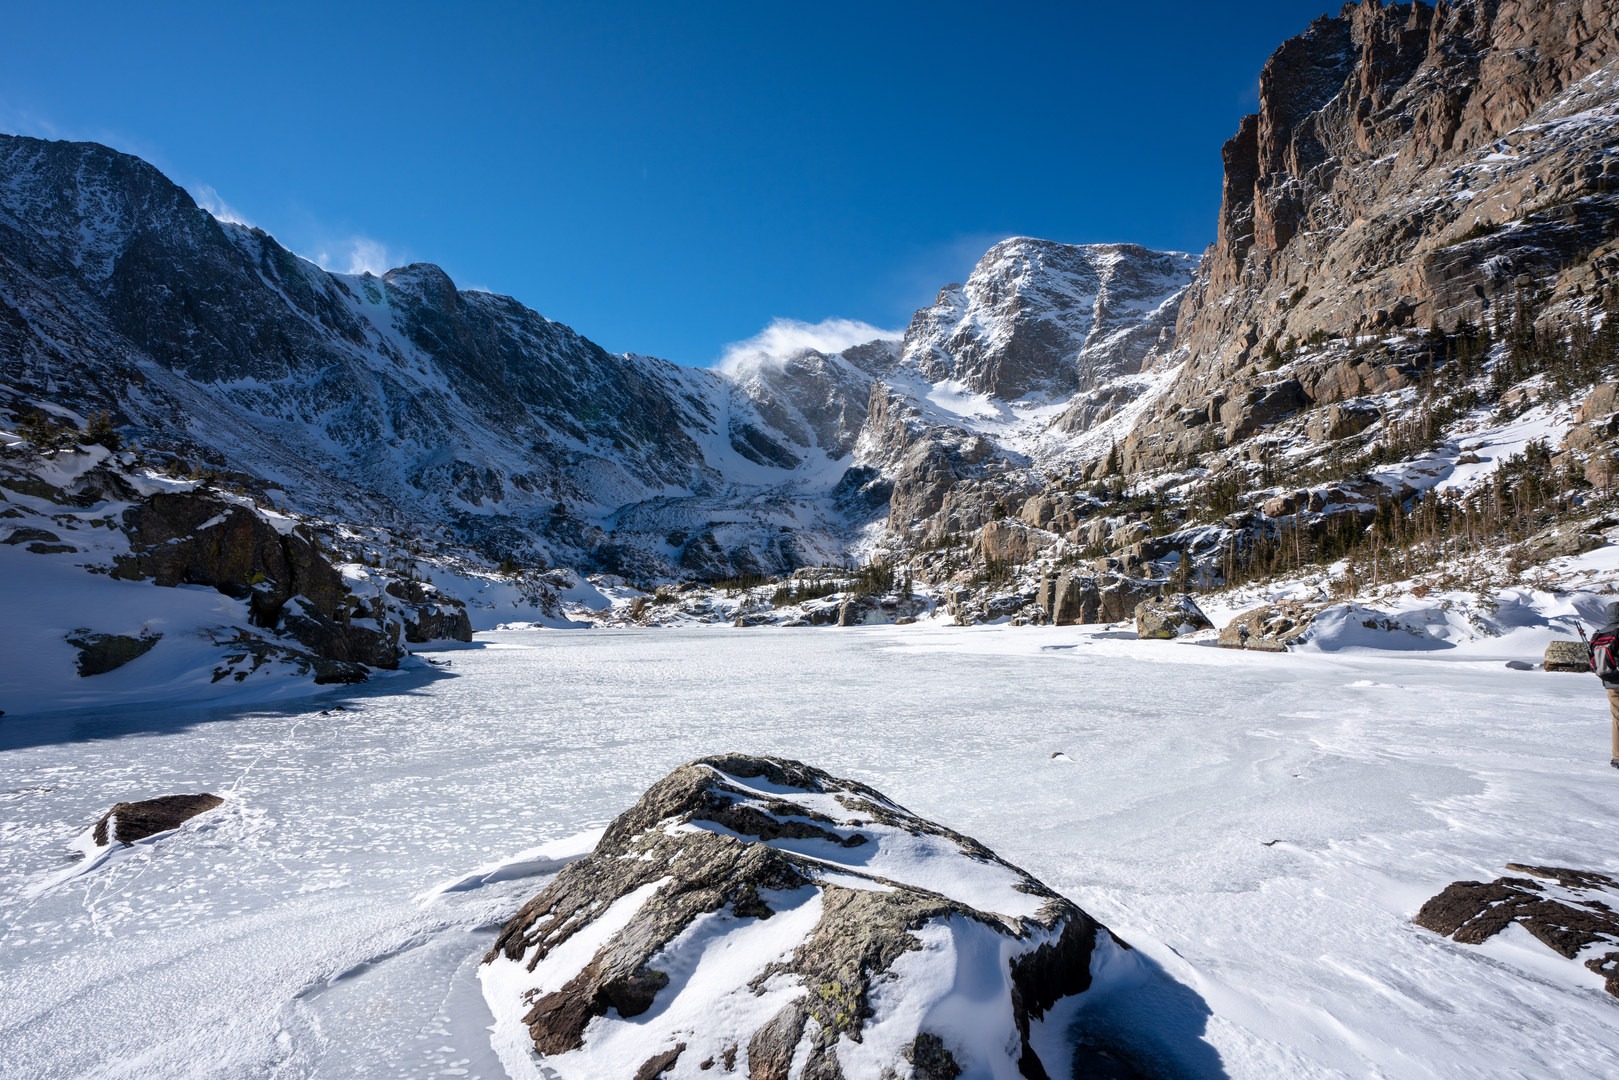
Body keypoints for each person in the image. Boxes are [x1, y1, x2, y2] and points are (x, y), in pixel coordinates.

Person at [1590, 601, 1619, 769]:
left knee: (1617, 718)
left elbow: (1593, 659)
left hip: (1610, 682)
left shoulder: (1599, 634)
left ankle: (1617, 757)